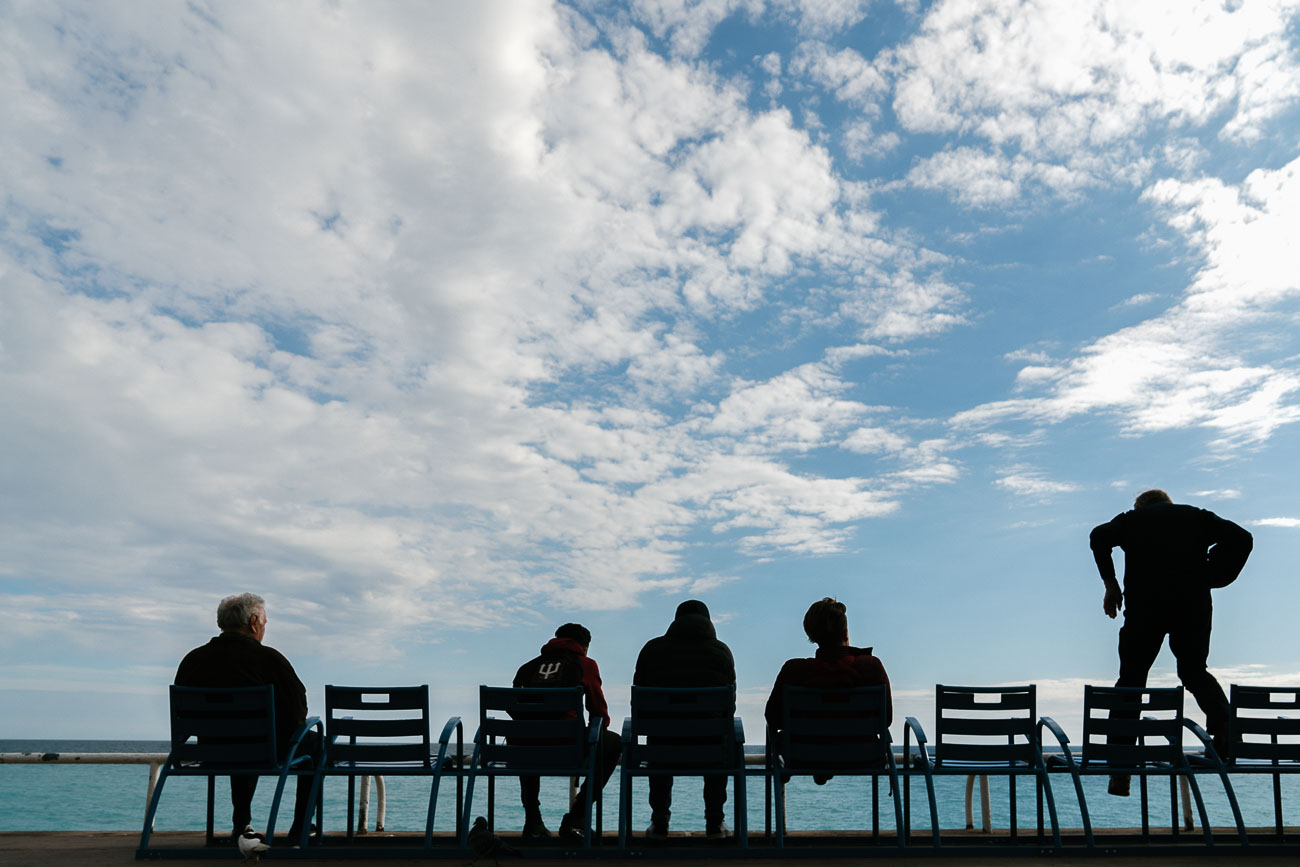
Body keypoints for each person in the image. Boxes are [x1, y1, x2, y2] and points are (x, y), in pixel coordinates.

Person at [1090, 489, 1253, 795]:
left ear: (1141, 506)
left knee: (1131, 681)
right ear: (1168, 503)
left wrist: (1111, 585)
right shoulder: (1196, 517)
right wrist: (1213, 574)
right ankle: (1226, 743)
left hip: (1144, 610)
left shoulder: (1132, 520)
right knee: (1194, 672)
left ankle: (1121, 769)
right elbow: (1242, 539)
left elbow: (1098, 536)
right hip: (1192, 607)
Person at [174, 593, 320, 841]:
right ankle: (302, 827)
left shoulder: (192, 660)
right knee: (316, 746)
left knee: (244, 741)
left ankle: (242, 824)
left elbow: (181, 713)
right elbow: (298, 711)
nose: (264, 627)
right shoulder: (270, 659)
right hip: (262, 750)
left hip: (211, 751)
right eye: (264, 622)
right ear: (253, 621)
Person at [632, 600, 736, 839]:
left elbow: (640, 699)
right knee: (720, 735)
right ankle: (715, 823)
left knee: (661, 737)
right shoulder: (721, 651)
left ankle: (659, 822)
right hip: (709, 749)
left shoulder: (651, 649)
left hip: (661, 748)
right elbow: (729, 705)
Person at [511, 623, 622, 842]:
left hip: (525, 749)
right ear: (585, 646)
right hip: (568, 747)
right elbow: (598, 711)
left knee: (527, 738)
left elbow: (517, 711)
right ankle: (576, 817)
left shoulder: (527, 668)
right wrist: (595, 737)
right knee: (613, 743)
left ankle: (533, 820)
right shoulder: (585, 664)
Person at [764, 597, 892, 784]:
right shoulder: (871, 668)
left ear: (811, 634)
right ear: (845, 631)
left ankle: (822, 764)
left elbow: (772, 718)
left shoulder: (793, 671)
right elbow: (886, 719)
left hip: (803, 755)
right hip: (861, 755)